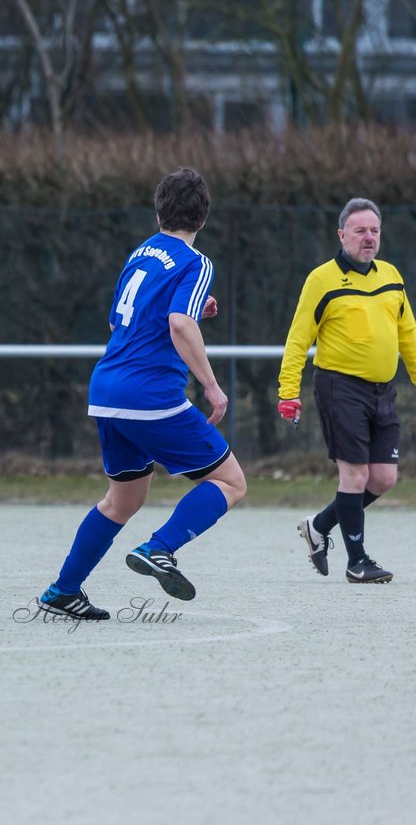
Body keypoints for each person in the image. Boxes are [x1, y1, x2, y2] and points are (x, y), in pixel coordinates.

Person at [35, 167, 247, 620]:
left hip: (107, 388)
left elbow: (120, 323)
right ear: (203, 218)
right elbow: (178, 323)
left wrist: (191, 311)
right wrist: (211, 386)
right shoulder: (197, 262)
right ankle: (160, 548)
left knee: (123, 499)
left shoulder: (141, 253)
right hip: (149, 394)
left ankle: (62, 591)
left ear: (158, 213)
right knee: (230, 481)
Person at [276, 198, 411, 584]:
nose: (369, 238)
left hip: (383, 391)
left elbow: (409, 336)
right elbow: (298, 338)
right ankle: (358, 562)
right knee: (354, 475)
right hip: (339, 387)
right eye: (360, 231)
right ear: (341, 235)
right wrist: (288, 391)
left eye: (374, 231)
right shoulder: (322, 279)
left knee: (383, 478)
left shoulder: (391, 276)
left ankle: (318, 527)